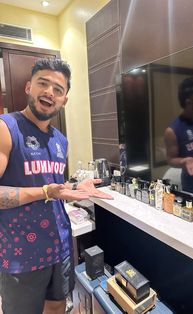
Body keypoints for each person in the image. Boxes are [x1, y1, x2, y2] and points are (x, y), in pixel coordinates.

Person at [0, 58, 113, 314]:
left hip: (60, 245)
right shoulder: (6, 128)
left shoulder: (60, 140)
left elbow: (53, 185)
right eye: (43, 83)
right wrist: (44, 192)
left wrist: (74, 184)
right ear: (29, 87)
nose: (50, 92)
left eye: (58, 89)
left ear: (64, 100)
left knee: (58, 306)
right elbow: (45, 189)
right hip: (21, 253)